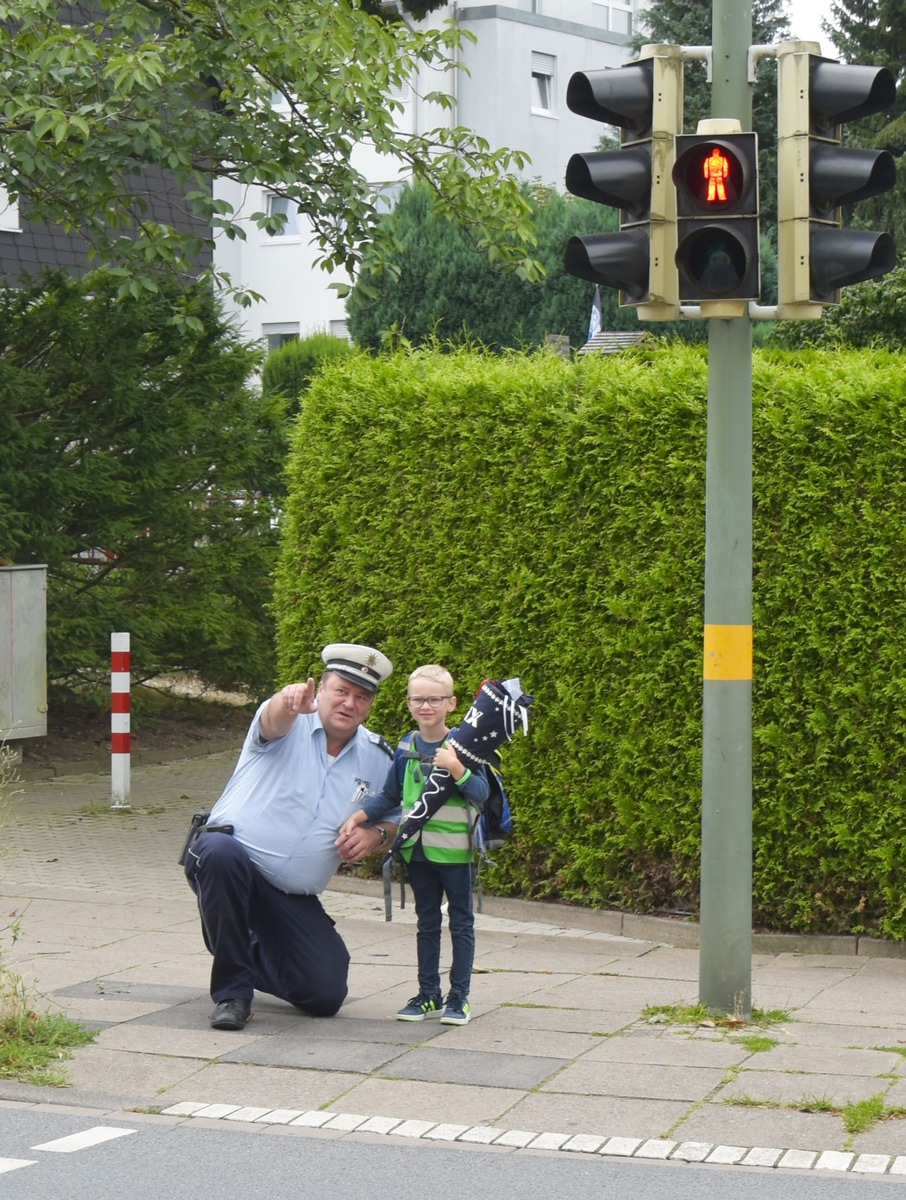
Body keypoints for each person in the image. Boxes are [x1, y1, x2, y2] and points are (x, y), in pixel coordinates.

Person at [184, 643, 399, 1031]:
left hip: (291, 895)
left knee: (324, 995)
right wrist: (287, 701)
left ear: (369, 706)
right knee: (219, 850)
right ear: (320, 691)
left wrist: (376, 835)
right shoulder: (289, 723)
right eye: (340, 691)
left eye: (361, 697)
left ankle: (232, 941)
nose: (349, 703)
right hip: (233, 865)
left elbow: (395, 819)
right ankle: (233, 994)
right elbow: (273, 718)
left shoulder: (379, 757)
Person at [339, 664, 489, 1026]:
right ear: (408, 703)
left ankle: (459, 997)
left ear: (451, 704)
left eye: (434, 699)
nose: (426, 706)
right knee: (426, 923)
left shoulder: (463, 746)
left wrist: (456, 767)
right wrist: (360, 817)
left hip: (455, 854)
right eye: (418, 699)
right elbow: (390, 795)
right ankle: (428, 994)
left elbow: (481, 793)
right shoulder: (407, 745)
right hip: (417, 852)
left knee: (461, 924)